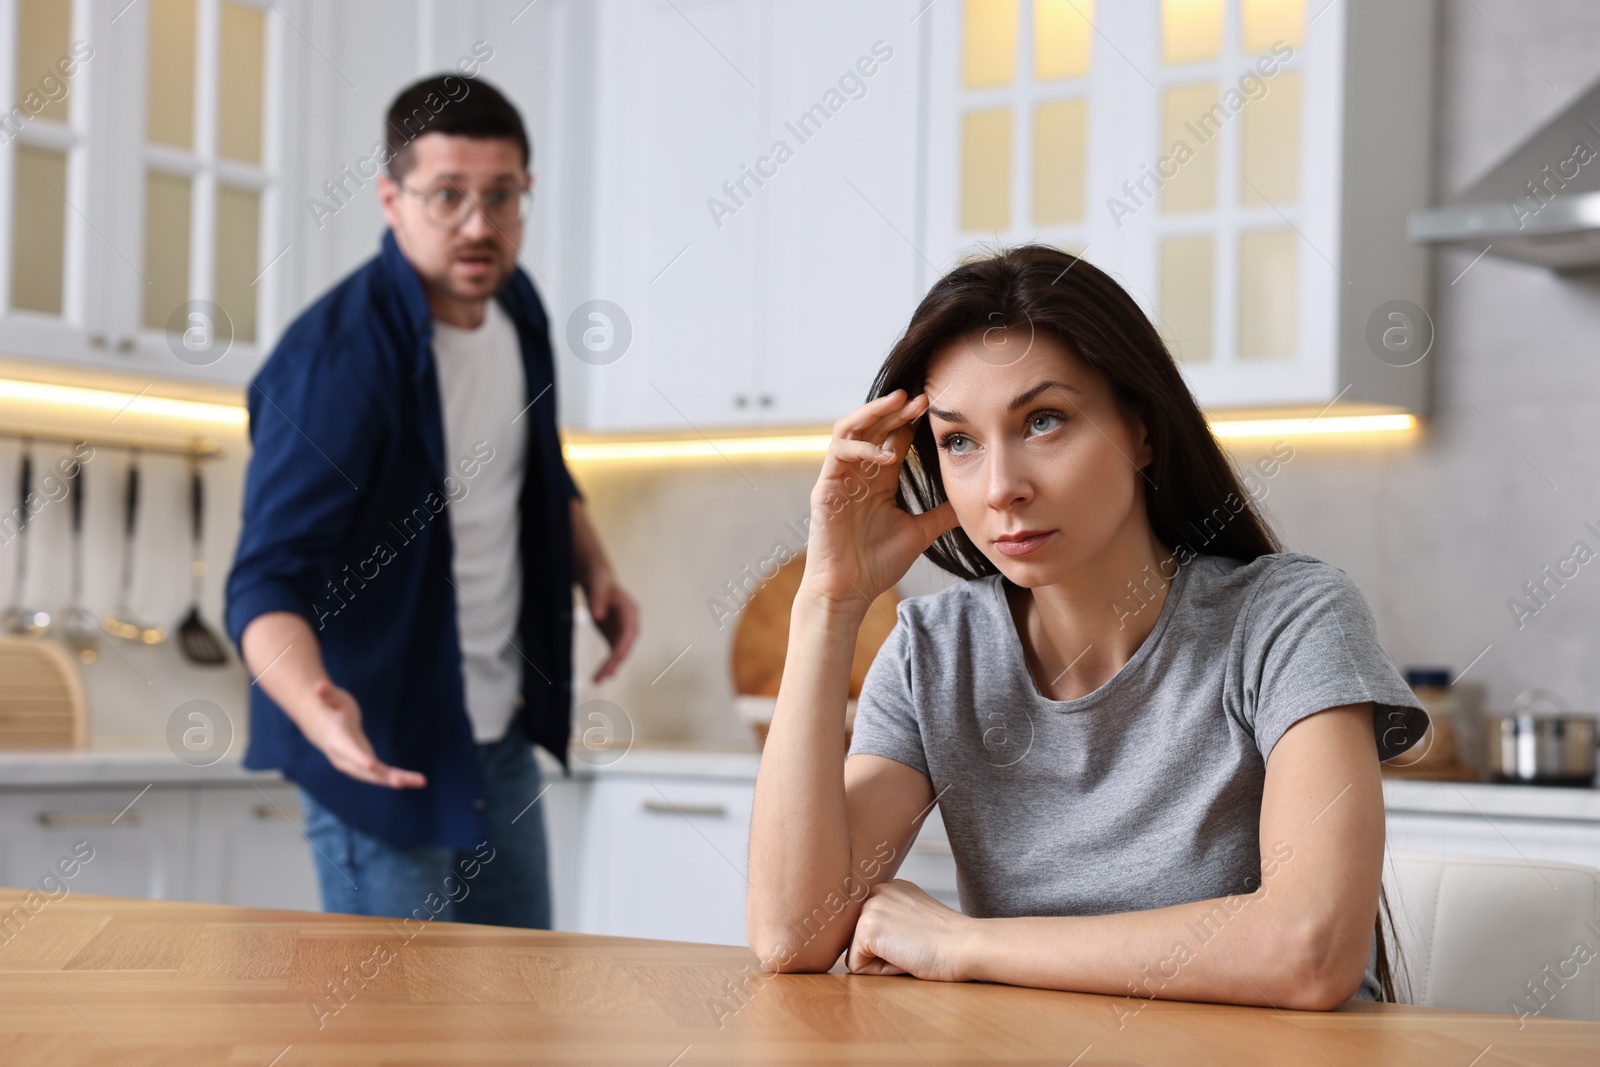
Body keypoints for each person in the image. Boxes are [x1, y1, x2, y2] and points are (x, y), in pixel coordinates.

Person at [746, 244, 1430, 1009]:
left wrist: (964, 942)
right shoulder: (935, 652)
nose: (1003, 488)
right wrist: (828, 603)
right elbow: (792, 933)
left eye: (1044, 421)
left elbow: (1312, 950)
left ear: (1141, 430)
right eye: (959, 441)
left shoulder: (1290, 618)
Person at [225, 74, 638, 927]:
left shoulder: (517, 307)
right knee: (389, 1034)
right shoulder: (336, 364)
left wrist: (594, 567)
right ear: (391, 198)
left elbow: (540, 463)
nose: (479, 225)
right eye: (448, 196)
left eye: (502, 196)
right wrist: (317, 708)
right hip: (382, 750)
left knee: (518, 1020)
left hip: (497, 740)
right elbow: (264, 581)